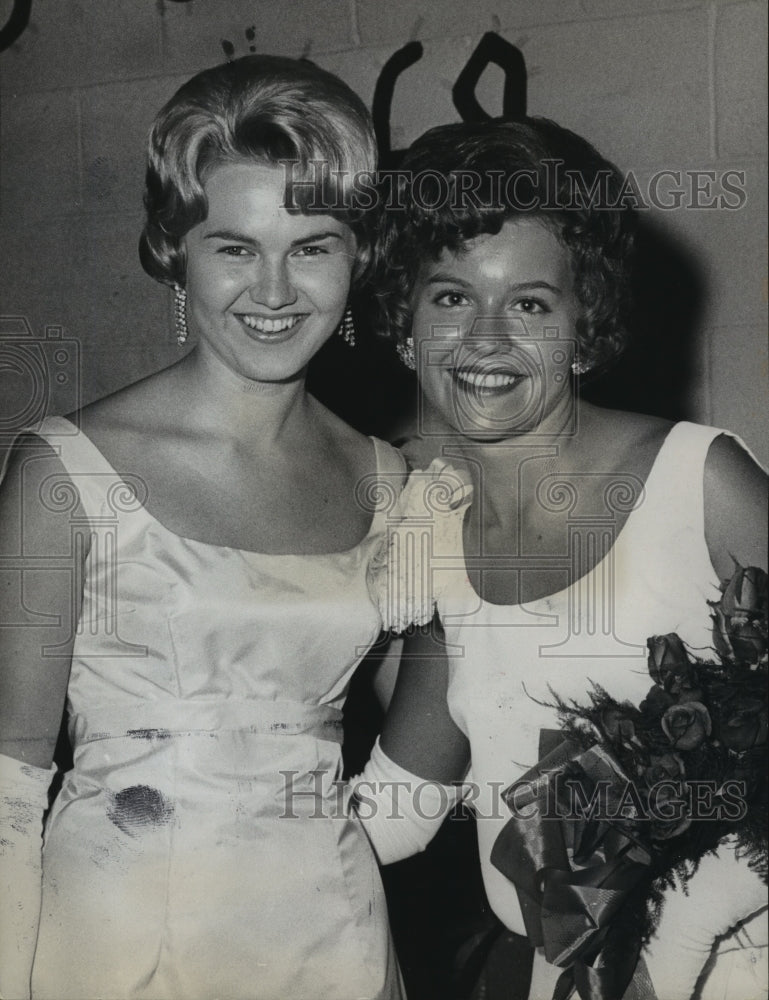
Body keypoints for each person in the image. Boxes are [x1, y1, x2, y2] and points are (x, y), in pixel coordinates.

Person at [0, 55, 407, 1000]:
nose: (273, 289)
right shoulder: (64, 473)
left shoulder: (393, 483)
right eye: (234, 247)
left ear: (358, 256)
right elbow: (8, 794)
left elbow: (455, 711)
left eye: (313, 246)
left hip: (331, 935)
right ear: (175, 252)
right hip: (121, 941)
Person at [357, 119, 768, 999]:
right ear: (403, 322)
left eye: (531, 303)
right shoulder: (431, 535)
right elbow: (400, 809)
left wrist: (679, 925)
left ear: (585, 329)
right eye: (451, 297)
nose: (487, 339)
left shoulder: (700, 482)